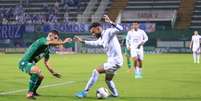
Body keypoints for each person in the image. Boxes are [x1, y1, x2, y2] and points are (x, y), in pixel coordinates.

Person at [74, 15, 123, 98]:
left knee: (95, 71)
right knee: (108, 80)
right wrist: (83, 41)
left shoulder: (108, 32)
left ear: (98, 28)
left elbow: (120, 28)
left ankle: (84, 92)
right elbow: (95, 43)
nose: (93, 34)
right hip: (115, 62)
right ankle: (115, 94)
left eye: (93, 32)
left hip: (115, 61)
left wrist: (110, 22)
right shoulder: (101, 38)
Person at [18, 30, 72, 99]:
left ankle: (34, 91)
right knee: (37, 71)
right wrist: (63, 42)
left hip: (30, 64)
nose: (56, 40)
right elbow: (50, 42)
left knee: (41, 77)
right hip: (24, 62)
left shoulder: (46, 50)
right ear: (50, 35)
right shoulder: (42, 40)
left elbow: (46, 62)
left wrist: (53, 72)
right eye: (55, 38)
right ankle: (29, 93)